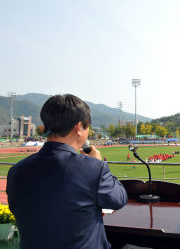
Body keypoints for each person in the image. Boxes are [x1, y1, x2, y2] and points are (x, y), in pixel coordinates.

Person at [6, 94, 128, 249]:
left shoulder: (16, 170)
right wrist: (98, 163)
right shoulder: (94, 168)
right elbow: (118, 200)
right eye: (87, 127)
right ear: (78, 128)